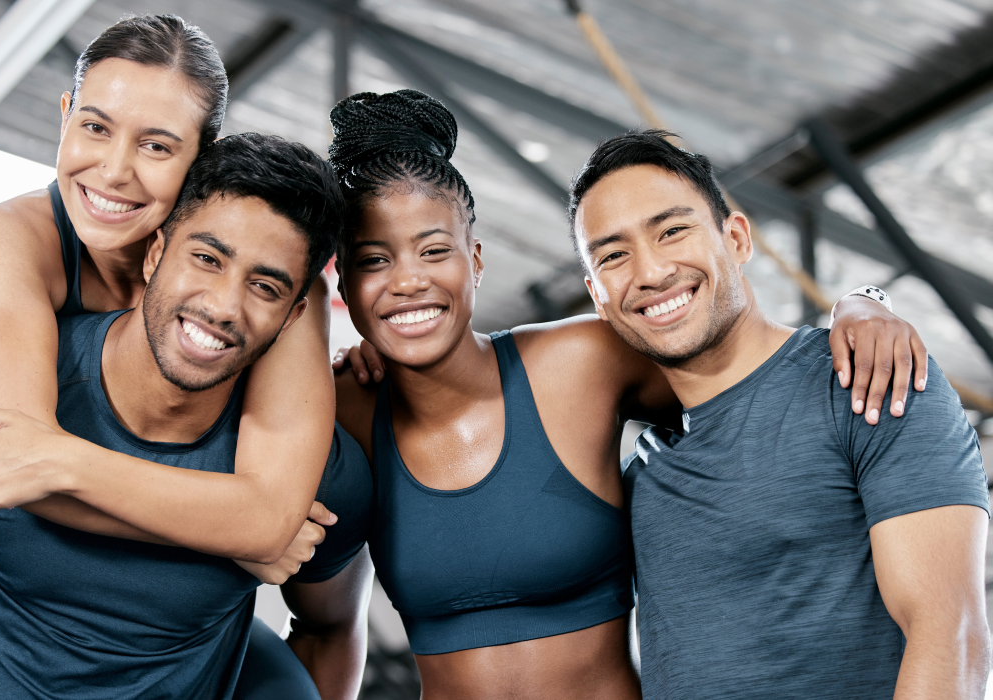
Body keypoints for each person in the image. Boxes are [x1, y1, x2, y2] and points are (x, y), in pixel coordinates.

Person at [0, 15, 343, 700]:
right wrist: (220, 531)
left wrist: (251, 523)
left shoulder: (267, 289)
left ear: (203, 155)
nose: (114, 170)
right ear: (65, 117)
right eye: (95, 126)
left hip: (166, 604)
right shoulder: (17, 237)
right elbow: (18, 472)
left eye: (156, 145)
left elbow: (264, 515)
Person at [325, 90, 930, 699]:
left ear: (475, 261)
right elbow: (322, 623)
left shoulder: (584, 360)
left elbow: (743, 370)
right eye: (374, 261)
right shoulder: (346, 407)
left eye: (435, 251)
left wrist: (861, 304)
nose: (407, 281)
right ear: (343, 282)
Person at [571, 129, 990, 698]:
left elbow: (950, 639)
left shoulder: (867, 380)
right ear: (597, 295)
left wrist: (865, 300)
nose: (650, 271)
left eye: (672, 230)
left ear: (737, 238)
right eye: (614, 255)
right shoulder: (640, 474)